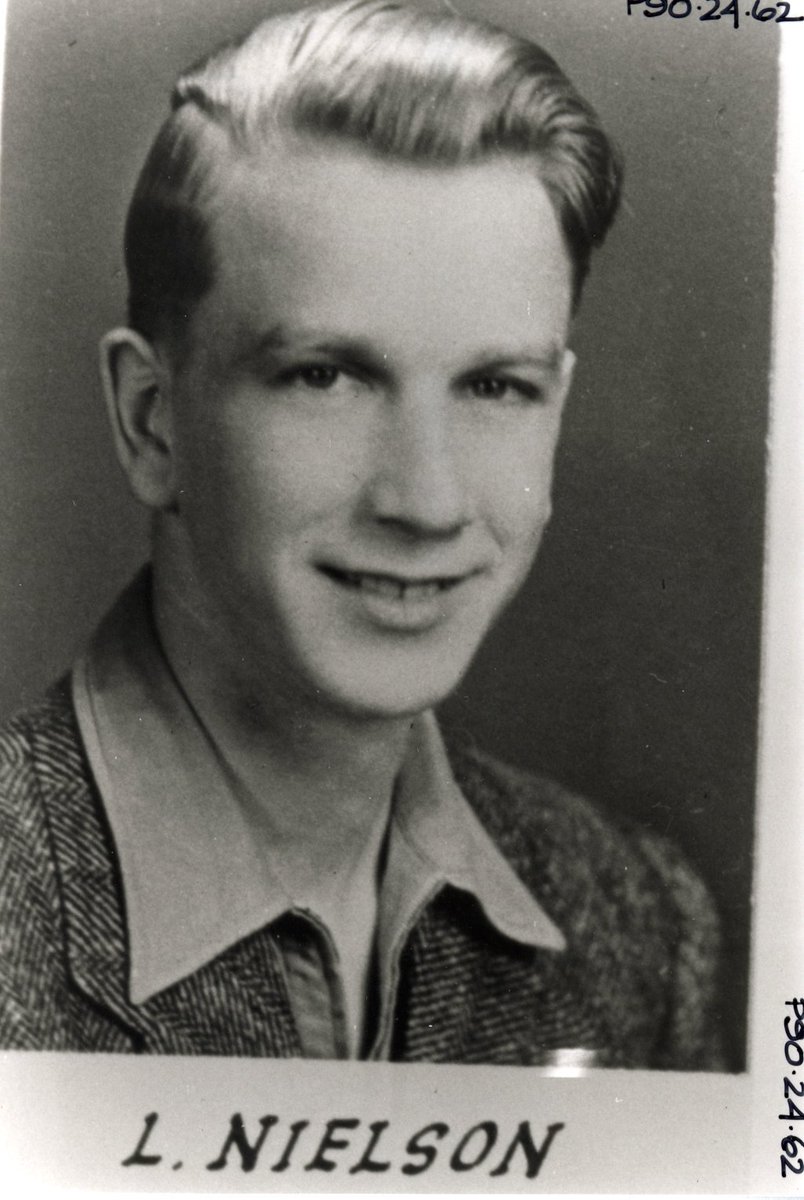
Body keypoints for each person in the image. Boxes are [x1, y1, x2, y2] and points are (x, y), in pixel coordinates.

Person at [0, 0, 723, 1066]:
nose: (425, 502)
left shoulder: (641, 926)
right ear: (152, 420)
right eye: (324, 376)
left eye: (494, 384)